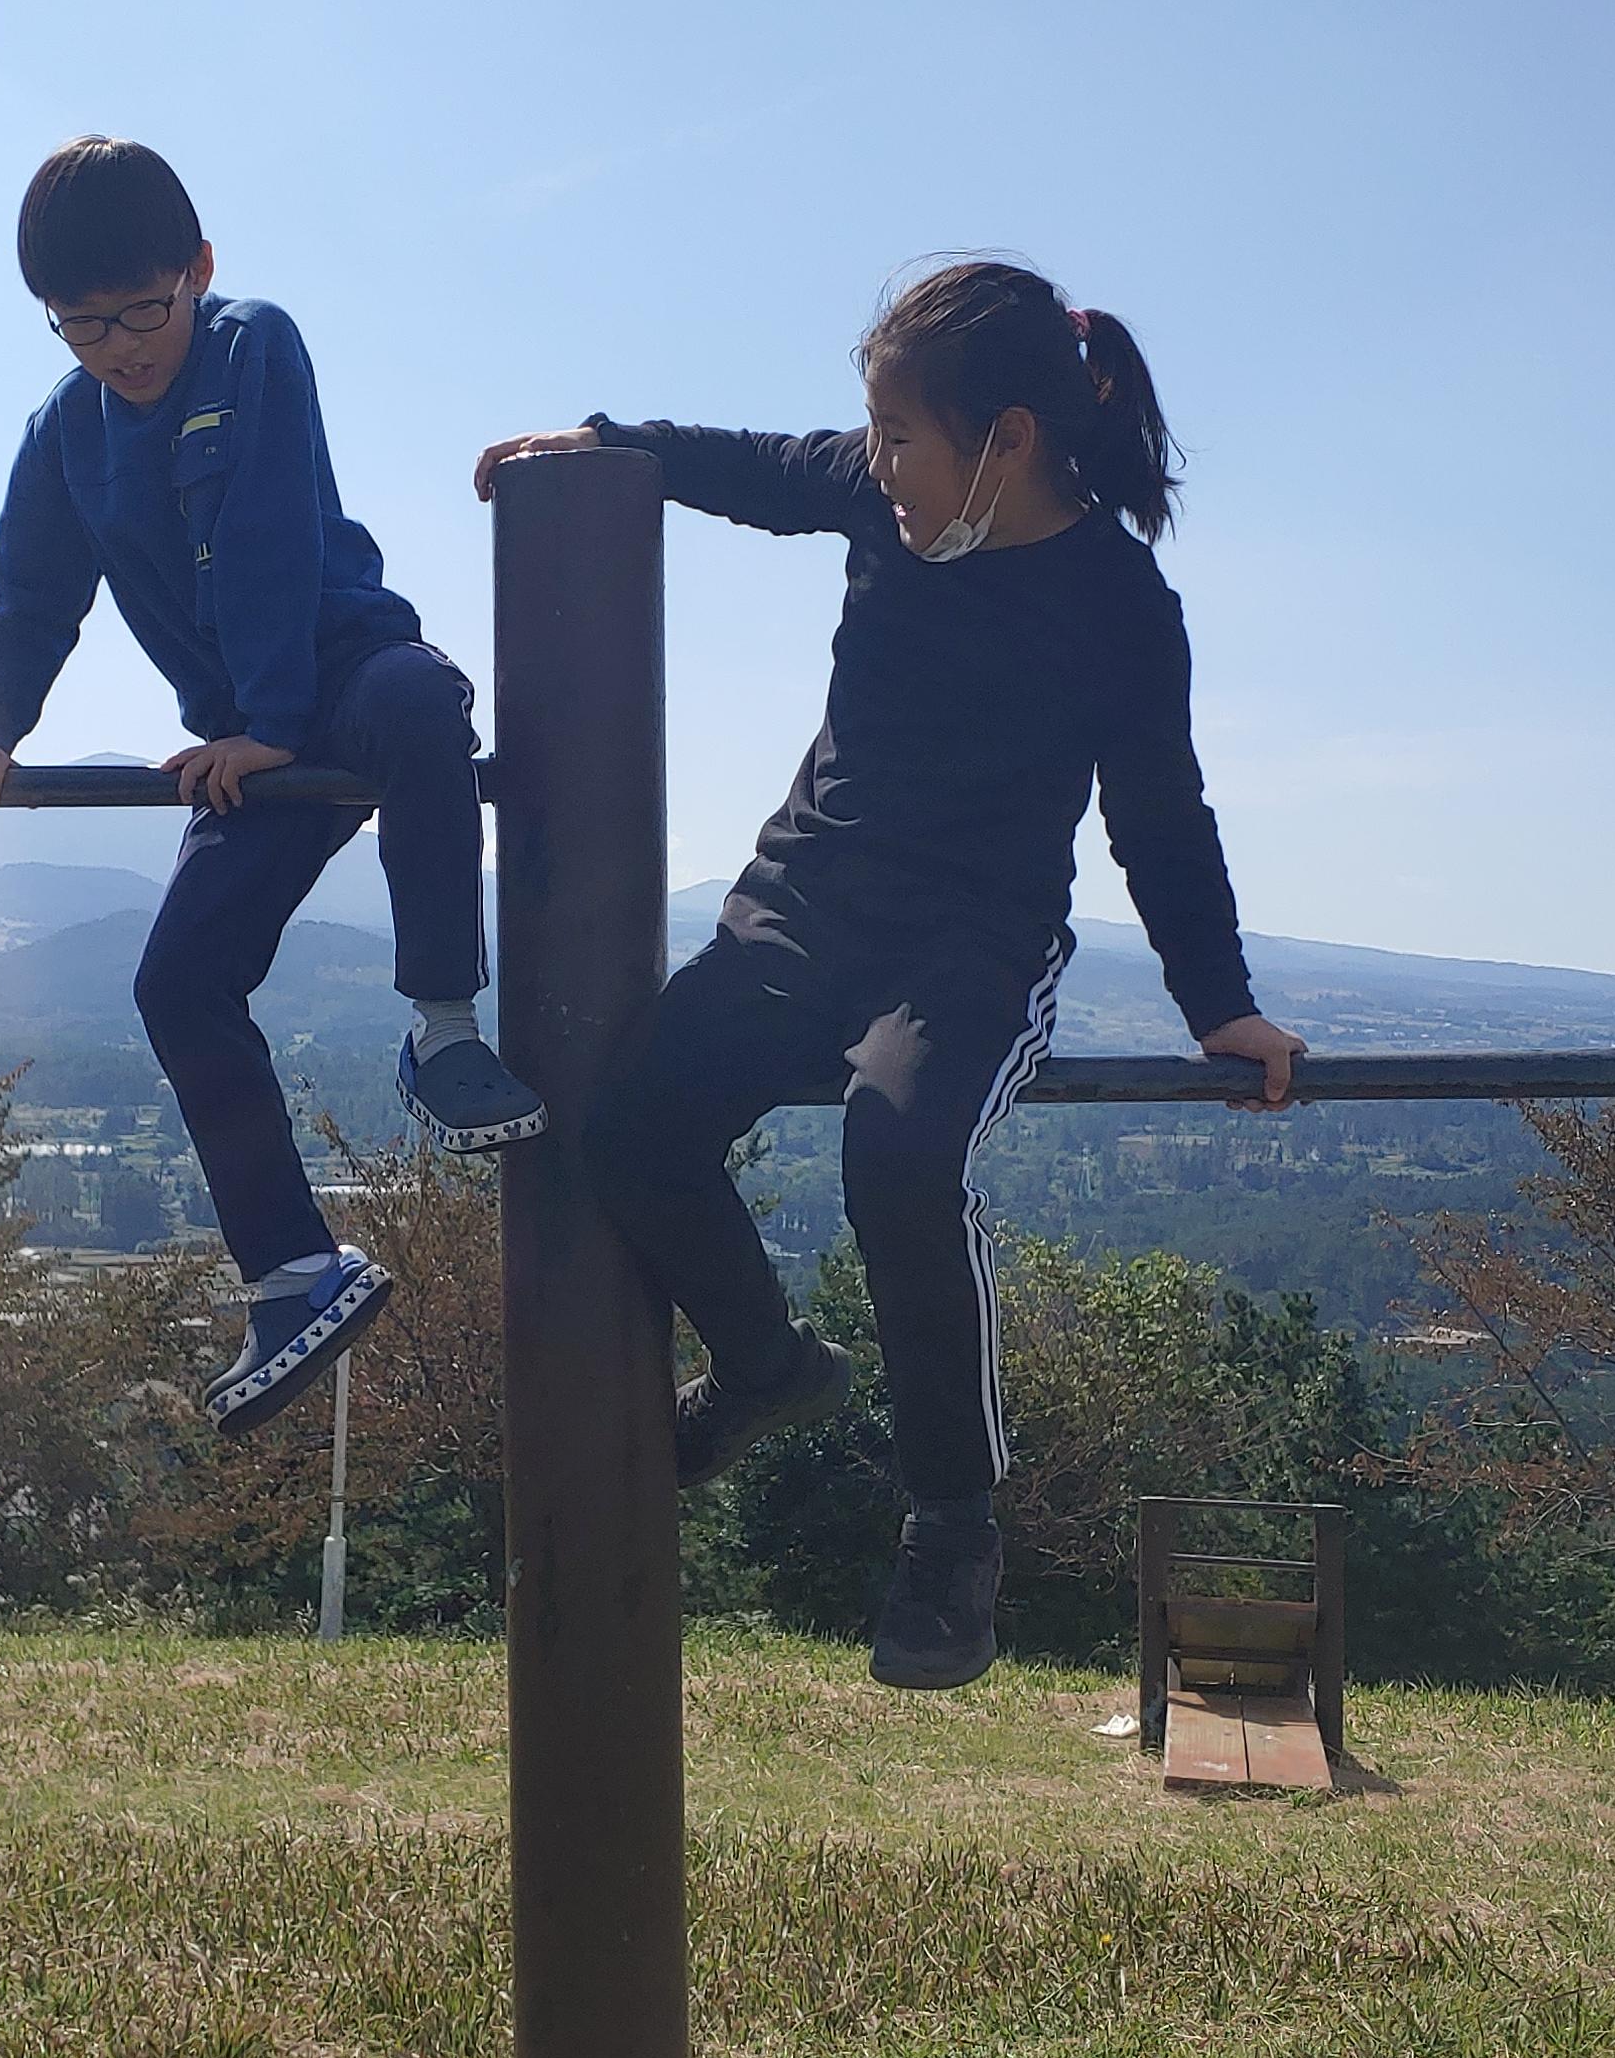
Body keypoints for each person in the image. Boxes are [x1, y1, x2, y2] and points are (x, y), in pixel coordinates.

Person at [476, 259, 1306, 1694]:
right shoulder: (883, 497)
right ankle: (764, 1367)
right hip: (803, 912)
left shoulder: (1116, 602)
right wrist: (600, 443)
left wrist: (1218, 1004)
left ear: (1007, 443)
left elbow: (1161, 820)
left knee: (902, 1157)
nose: (877, 462)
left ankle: (952, 1524)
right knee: (634, 1126)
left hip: (971, 948)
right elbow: (746, 465)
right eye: (873, 432)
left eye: (902, 436)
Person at [0, 134, 543, 1432]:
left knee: (425, 705)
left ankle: (444, 1030)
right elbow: (31, 594)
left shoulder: (252, 345)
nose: (117, 348)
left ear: (199, 271)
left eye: (140, 311)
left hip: (340, 671)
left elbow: (268, 527)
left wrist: (276, 720)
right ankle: (292, 1273)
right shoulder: (66, 433)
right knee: (178, 983)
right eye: (80, 325)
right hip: (238, 737)